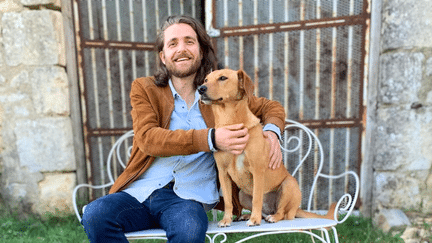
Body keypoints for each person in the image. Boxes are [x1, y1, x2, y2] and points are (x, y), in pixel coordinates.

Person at [81, 15, 286, 243]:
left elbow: (270, 107)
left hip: (187, 199)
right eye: (173, 43)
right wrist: (210, 139)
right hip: (140, 193)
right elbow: (148, 138)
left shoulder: (220, 93)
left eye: (189, 41)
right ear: (163, 56)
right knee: (95, 214)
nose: (182, 49)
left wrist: (272, 131)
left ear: (201, 50)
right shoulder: (145, 89)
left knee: (188, 230)